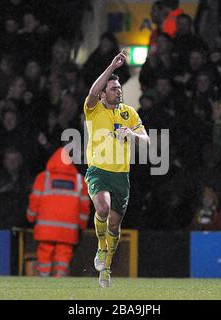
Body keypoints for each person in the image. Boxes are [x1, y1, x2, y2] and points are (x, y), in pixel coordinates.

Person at [84, 50, 150, 287]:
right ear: (103, 94)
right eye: (113, 88)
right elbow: (92, 92)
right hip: (98, 171)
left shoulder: (128, 113)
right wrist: (111, 67)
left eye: (119, 88)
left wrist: (132, 133)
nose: (118, 91)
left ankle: (106, 268)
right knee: (102, 207)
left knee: (114, 225)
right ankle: (101, 249)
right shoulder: (94, 109)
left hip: (121, 176)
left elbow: (147, 141)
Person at [27, 147, 91, 277]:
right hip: (68, 229)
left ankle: (44, 276)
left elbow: (34, 200)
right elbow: (84, 206)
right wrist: (82, 224)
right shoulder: (79, 181)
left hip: (46, 228)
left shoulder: (43, 178)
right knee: (64, 252)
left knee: (45, 250)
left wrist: (30, 216)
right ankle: (60, 277)